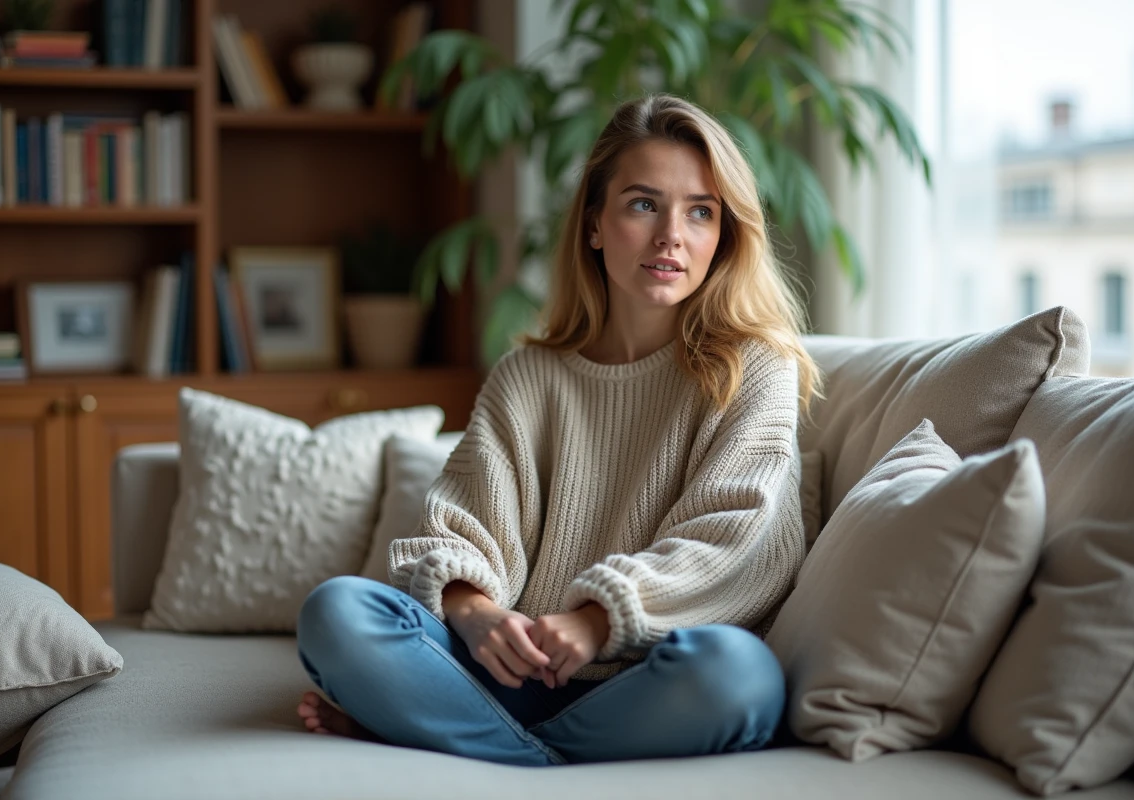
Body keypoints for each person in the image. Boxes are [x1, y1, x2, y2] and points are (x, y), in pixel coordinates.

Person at [295, 93, 821, 767]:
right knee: (335, 611)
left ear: (724, 235)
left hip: (649, 680)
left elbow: (733, 539)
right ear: (596, 224)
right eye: (642, 203)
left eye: (701, 212)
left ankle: (455, 735)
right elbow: (460, 525)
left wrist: (598, 621)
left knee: (741, 675)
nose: (672, 236)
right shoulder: (528, 375)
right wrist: (477, 613)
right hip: (507, 674)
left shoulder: (754, 367)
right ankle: (532, 752)